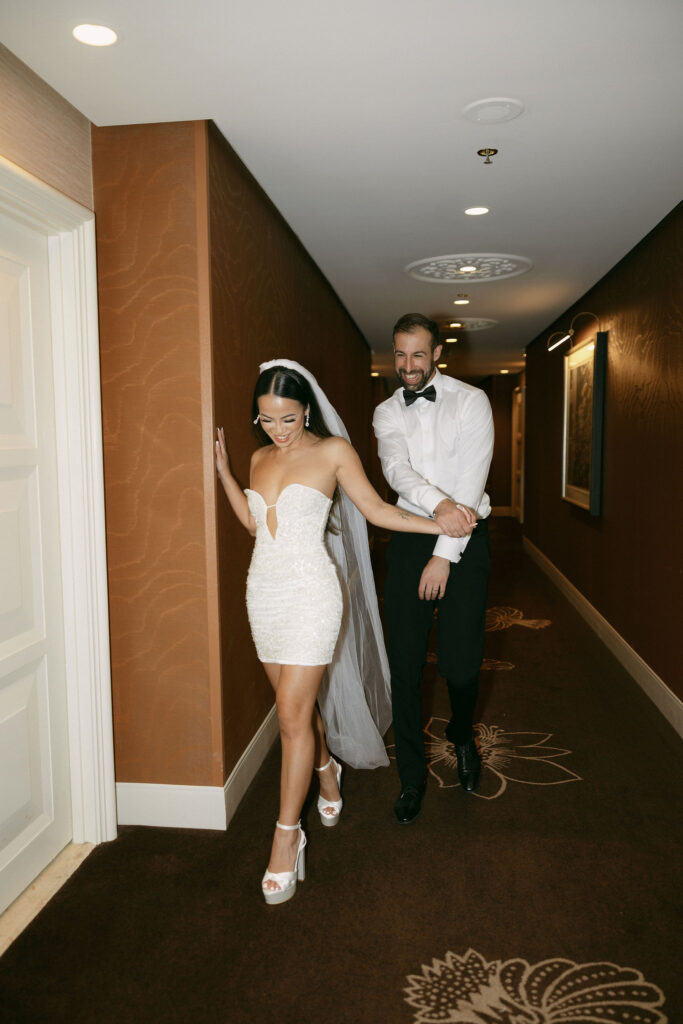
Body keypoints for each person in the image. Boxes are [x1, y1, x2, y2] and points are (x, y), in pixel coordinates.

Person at [215, 359, 452, 905]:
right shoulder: (256, 458)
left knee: (291, 717)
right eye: (267, 419)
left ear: (307, 411)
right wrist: (227, 475)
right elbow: (256, 526)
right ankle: (325, 768)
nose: (278, 430)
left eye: (289, 419)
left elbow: (376, 512)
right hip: (264, 596)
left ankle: (285, 839)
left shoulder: (332, 453)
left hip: (312, 596)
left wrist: (437, 522)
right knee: (295, 707)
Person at [373, 314, 494, 825]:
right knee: (404, 664)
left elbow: (470, 483)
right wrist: (437, 509)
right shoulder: (385, 412)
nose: (408, 366)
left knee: (461, 665)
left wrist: (444, 552)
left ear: (437, 353)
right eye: (400, 355)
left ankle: (462, 734)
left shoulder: (472, 401)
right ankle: (412, 778)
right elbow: (397, 470)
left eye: (418, 355)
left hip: (467, 538)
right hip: (407, 536)